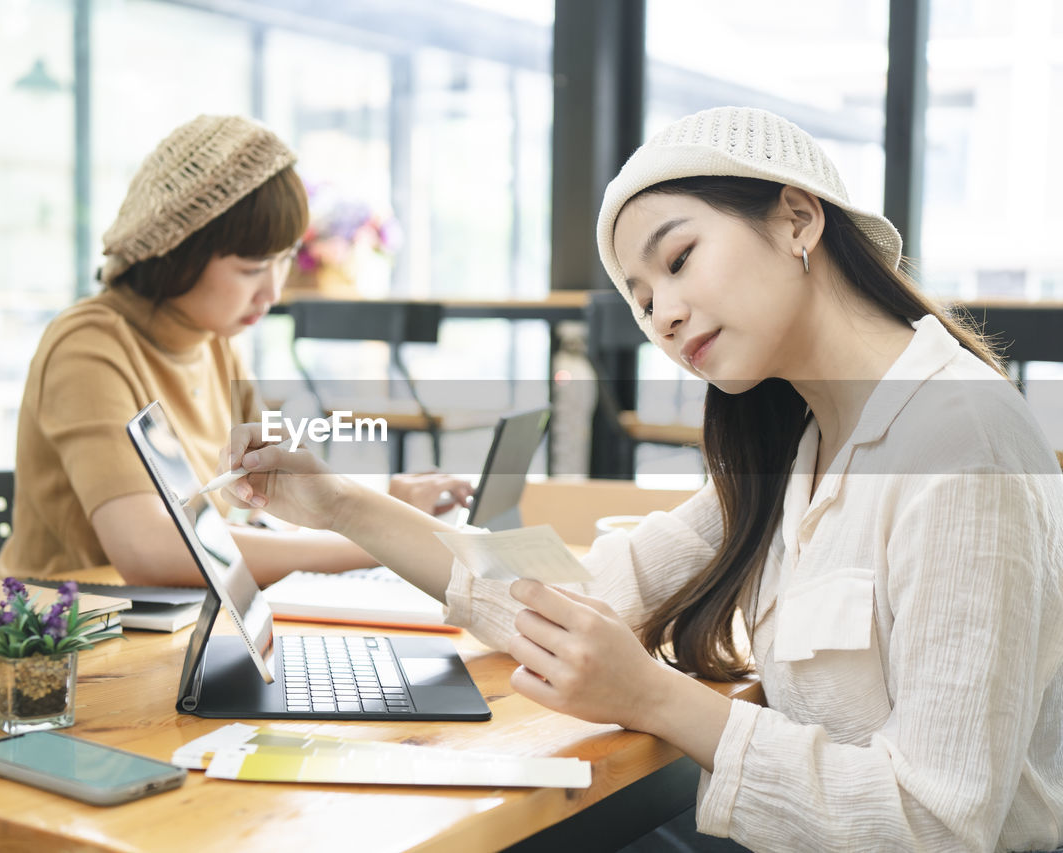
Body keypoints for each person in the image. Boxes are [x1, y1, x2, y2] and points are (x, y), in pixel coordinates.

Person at [217, 107, 1063, 851]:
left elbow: (942, 827)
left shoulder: (961, 442)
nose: (661, 314)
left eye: (680, 259)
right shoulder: (796, 445)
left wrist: (655, 697)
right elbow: (577, 591)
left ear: (798, 218)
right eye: (640, 297)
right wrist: (335, 501)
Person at [0, 114, 472, 587]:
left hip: (188, 623)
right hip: (74, 641)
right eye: (251, 268)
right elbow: (152, 552)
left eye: (284, 260)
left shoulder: (214, 340)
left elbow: (272, 508)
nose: (271, 293)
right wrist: (373, 540)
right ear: (177, 249)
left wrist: (388, 514)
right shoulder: (89, 347)